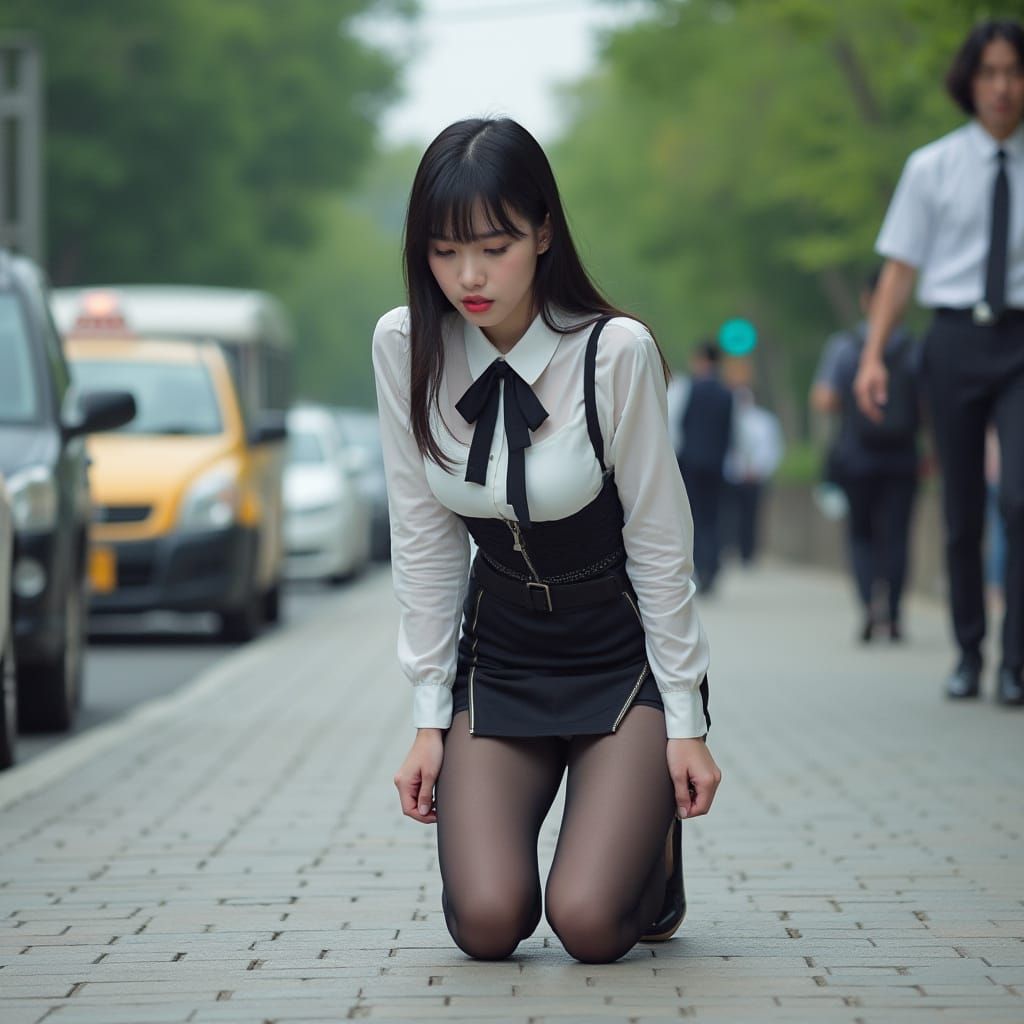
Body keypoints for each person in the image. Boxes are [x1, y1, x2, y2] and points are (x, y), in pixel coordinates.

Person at [372, 118, 721, 965]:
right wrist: (427, 717)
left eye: (493, 247)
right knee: (488, 923)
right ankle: (604, 826)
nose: (469, 276)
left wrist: (687, 721)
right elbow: (423, 543)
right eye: (445, 251)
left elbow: (660, 543)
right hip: (502, 663)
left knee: (592, 925)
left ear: (543, 232)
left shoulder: (612, 354)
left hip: (619, 659)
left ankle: (649, 844)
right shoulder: (405, 346)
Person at [854, 20, 1024, 705]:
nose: (1003, 86)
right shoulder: (932, 166)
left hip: (1021, 342)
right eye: (989, 72)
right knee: (960, 511)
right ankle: (968, 651)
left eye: (1014, 70)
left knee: (1019, 500)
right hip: (952, 341)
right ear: (969, 81)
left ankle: (1016, 661)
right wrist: (872, 356)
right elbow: (900, 270)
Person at [814, 270, 920, 642]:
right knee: (897, 536)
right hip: (904, 459)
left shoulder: (844, 347)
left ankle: (867, 605)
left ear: (864, 299)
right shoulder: (914, 350)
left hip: (856, 457)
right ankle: (892, 610)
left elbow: (824, 399)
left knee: (861, 536)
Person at [676, 340, 733, 594]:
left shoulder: (689, 389)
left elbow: (678, 425)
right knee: (714, 516)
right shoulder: (727, 393)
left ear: (700, 360)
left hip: (691, 463)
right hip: (717, 464)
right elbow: (731, 433)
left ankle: (701, 567)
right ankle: (713, 566)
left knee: (695, 517)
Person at [722, 387, 784, 567]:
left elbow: (772, 449)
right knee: (730, 515)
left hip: (754, 477)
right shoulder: (730, 419)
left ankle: (748, 553)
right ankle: (730, 548)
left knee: (751, 516)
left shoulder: (765, 421)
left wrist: (758, 469)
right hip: (733, 476)